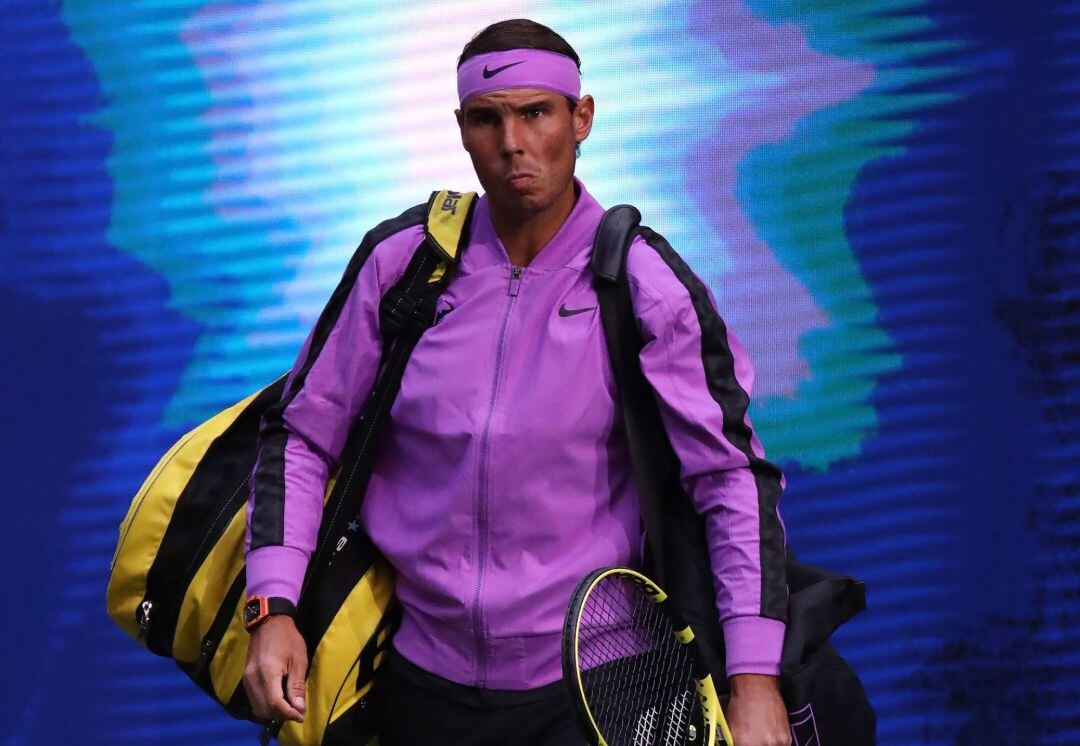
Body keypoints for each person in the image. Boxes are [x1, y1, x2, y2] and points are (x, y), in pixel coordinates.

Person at [241, 18, 792, 746]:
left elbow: (731, 481)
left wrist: (755, 682)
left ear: (582, 117)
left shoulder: (643, 286)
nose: (512, 143)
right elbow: (302, 435)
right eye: (487, 119)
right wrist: (273, 606)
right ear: (461, 127)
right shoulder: (403, 265)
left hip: (597, 691)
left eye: (536, 113)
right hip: (414, 684)